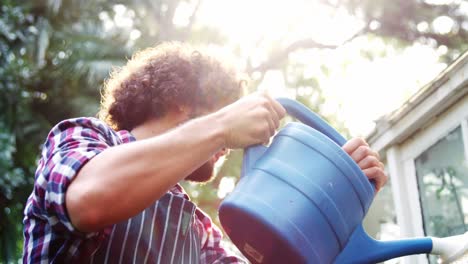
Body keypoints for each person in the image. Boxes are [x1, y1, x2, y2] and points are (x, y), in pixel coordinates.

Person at [22, 42, 387, 263]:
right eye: (225, 107)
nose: (229, 147)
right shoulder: (81, 138)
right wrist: (222, 126)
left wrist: (337, 194)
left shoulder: (196, 231)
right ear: (179, 100)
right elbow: (90, 201)